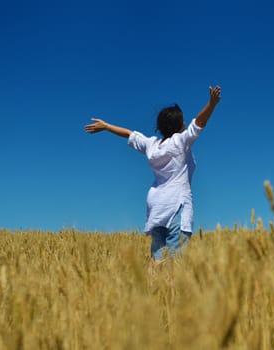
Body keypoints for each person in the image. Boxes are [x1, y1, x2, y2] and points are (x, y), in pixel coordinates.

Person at [85, 86, 221, 260]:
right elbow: (199, 124)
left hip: (156, 208)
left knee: (157, 264)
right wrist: (212, 104)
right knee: (174, 265)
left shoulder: (152, 145)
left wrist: (106, 126)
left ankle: (152, 286)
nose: (186, 124)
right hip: (176, 207)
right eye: (183, 122)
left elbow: (129, 134)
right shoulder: (180, 142)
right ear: (179, 125)